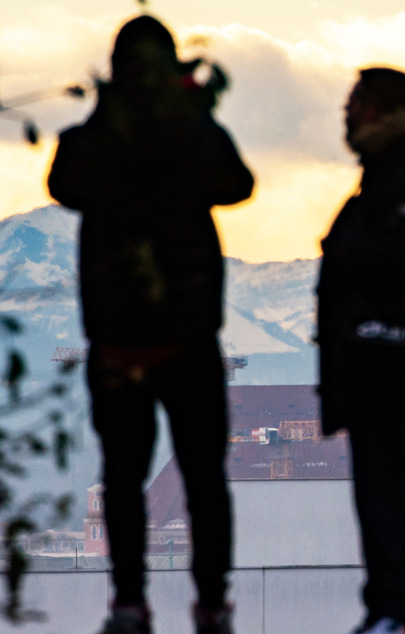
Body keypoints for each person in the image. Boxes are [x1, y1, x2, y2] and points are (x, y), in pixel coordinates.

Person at [47, 15, 254, 634]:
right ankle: (212, 604)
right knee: (204, 479)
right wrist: (188, 113)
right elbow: (236, 184)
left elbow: (64, 182)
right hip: (189, 339)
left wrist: (112, 112)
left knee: (122, 477)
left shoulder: (98, 139)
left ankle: (129, 603)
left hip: (116, 345)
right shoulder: (191, 134)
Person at [316, 67, 405, 634]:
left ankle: (402, 614)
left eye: (355, 103)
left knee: (396, 498)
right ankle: (390, 609)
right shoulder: (390, 179)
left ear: (379, 112)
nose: (345, 113)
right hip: (375, 372)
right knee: (382, 500)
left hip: (390, 370)